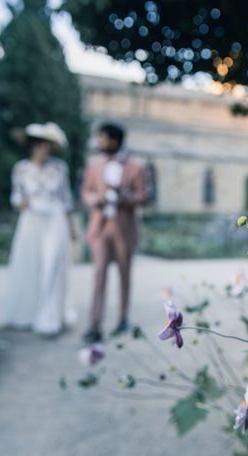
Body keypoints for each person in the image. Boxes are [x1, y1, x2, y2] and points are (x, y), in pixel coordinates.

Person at [3, 122, 75, 335]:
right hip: (31, 220)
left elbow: (66, 197)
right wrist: (21, 203)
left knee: (52, 265)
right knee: (30, 265)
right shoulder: (21, 168)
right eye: (41, 144)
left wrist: (71, 227)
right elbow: (16, 195)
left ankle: (50, 317)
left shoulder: (60, 168)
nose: (44, 148)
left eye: (48, 144)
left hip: (55, 218)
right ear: (33, 146)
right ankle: (28, 313)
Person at [81, 123, 148, 343]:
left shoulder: (136, 166)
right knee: (99, 274)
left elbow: (144, 197)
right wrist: (94, 200)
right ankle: (95, 324)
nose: (98, 142)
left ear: (115, 140)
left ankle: (122, 318)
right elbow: (86, 192)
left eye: (102, 138)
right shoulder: (93, 164)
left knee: (124, 274)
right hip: (100, 227)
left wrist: (125, 197)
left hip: (124, 227)